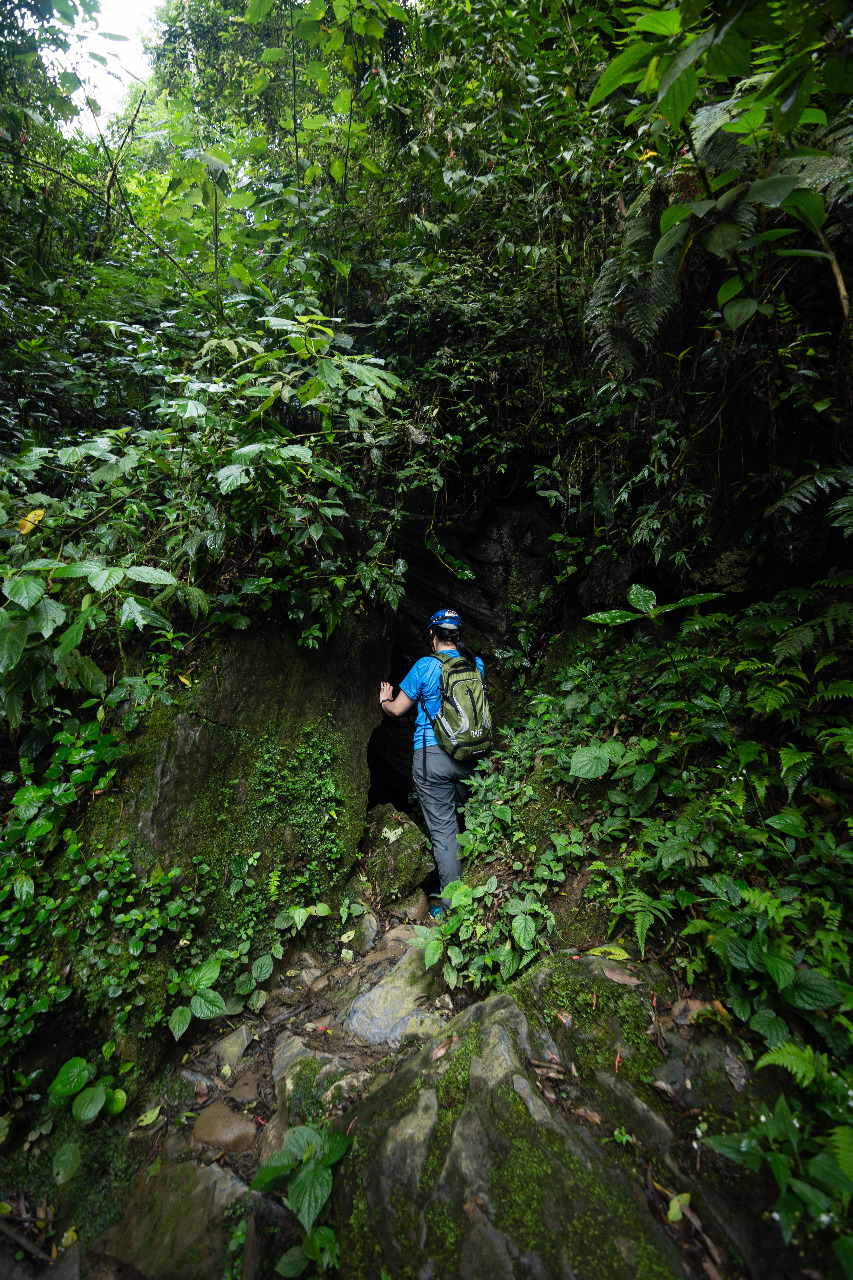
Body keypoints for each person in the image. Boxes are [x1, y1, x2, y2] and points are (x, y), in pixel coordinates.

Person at [379, 608, 485, 919]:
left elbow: (398, 710)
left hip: (432, 759)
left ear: (432, 635)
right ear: (458, 635)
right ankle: (474, 885)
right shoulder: (475, 664)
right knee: (466, 820)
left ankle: (453, 909)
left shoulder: (425, 666)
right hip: (470, 758)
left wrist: (385, 699)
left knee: (444, 833)